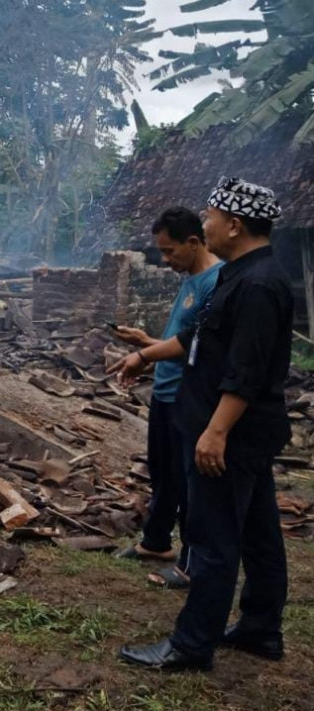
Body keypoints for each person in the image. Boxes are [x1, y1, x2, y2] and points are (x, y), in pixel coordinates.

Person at [110, 176, 291, 671]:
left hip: (231, 434)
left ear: (233, 225)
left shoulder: (257, 285)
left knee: (212, 541)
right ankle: (260, 630)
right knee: (259, 535)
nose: (204, 222)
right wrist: (145, 355)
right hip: (237, 432)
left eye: (210, 217)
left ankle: (191, 646)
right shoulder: (239, 274)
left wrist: (216, 432)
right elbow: (195, 338)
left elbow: (246, 372)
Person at [112, 208, 222, 591]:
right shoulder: (190, 278)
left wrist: (144, 355)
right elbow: (180, 343)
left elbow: (201, 348)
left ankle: (191, 564)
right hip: (165, 391)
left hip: (187, 398)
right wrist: (147, 346)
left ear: (193, 243)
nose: (165, 259)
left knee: (190, 484)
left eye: (170, 251)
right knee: (163, 475)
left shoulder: (215, 282)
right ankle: (156, 543)